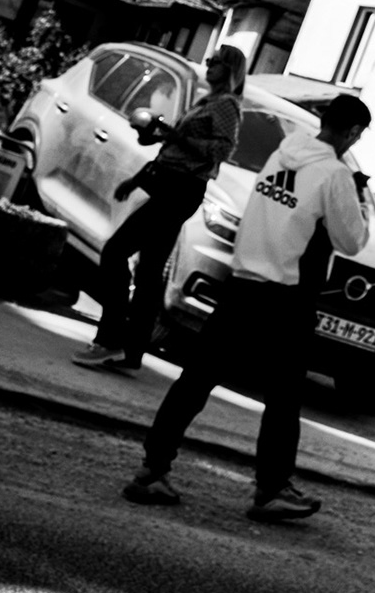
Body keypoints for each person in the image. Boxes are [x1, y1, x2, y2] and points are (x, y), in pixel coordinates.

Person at [122, 90, 373, 521]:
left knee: (196, 380)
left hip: (240, 284)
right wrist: (357, 198)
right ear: (352, 132)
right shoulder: (334, 175)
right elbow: (352, 240)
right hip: (285, 296)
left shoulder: (282, 154)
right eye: (358, 135)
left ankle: (152, 469)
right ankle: (271, 489)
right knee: (284, 397)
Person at [73, 44, 247, 372]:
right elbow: (173, 148)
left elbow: (222, 151)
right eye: (209, 60)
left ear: (230, 70)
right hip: (167, 183)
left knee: (116, 252)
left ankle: (110, 339)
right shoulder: (207, 100)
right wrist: (140, 175)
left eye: (215, 62)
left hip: (181, 189)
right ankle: (131, 350)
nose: (208, 66)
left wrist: (179, 138)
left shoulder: (227, 104)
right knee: (149, 271)